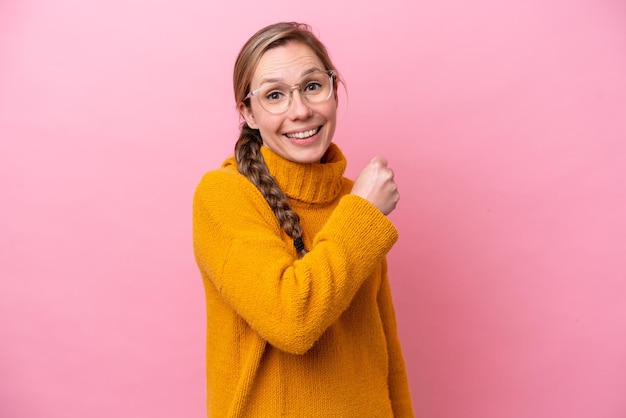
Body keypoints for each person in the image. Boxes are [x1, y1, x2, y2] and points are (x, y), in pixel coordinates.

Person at [192, 21, 414, 417]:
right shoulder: (225, 195)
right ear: (249, 113)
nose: (301, 111)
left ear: (333, 89)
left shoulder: (353, 200)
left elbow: (384, 352)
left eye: (312, 86)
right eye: (274, 95)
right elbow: (292, 320)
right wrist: (362, 213)